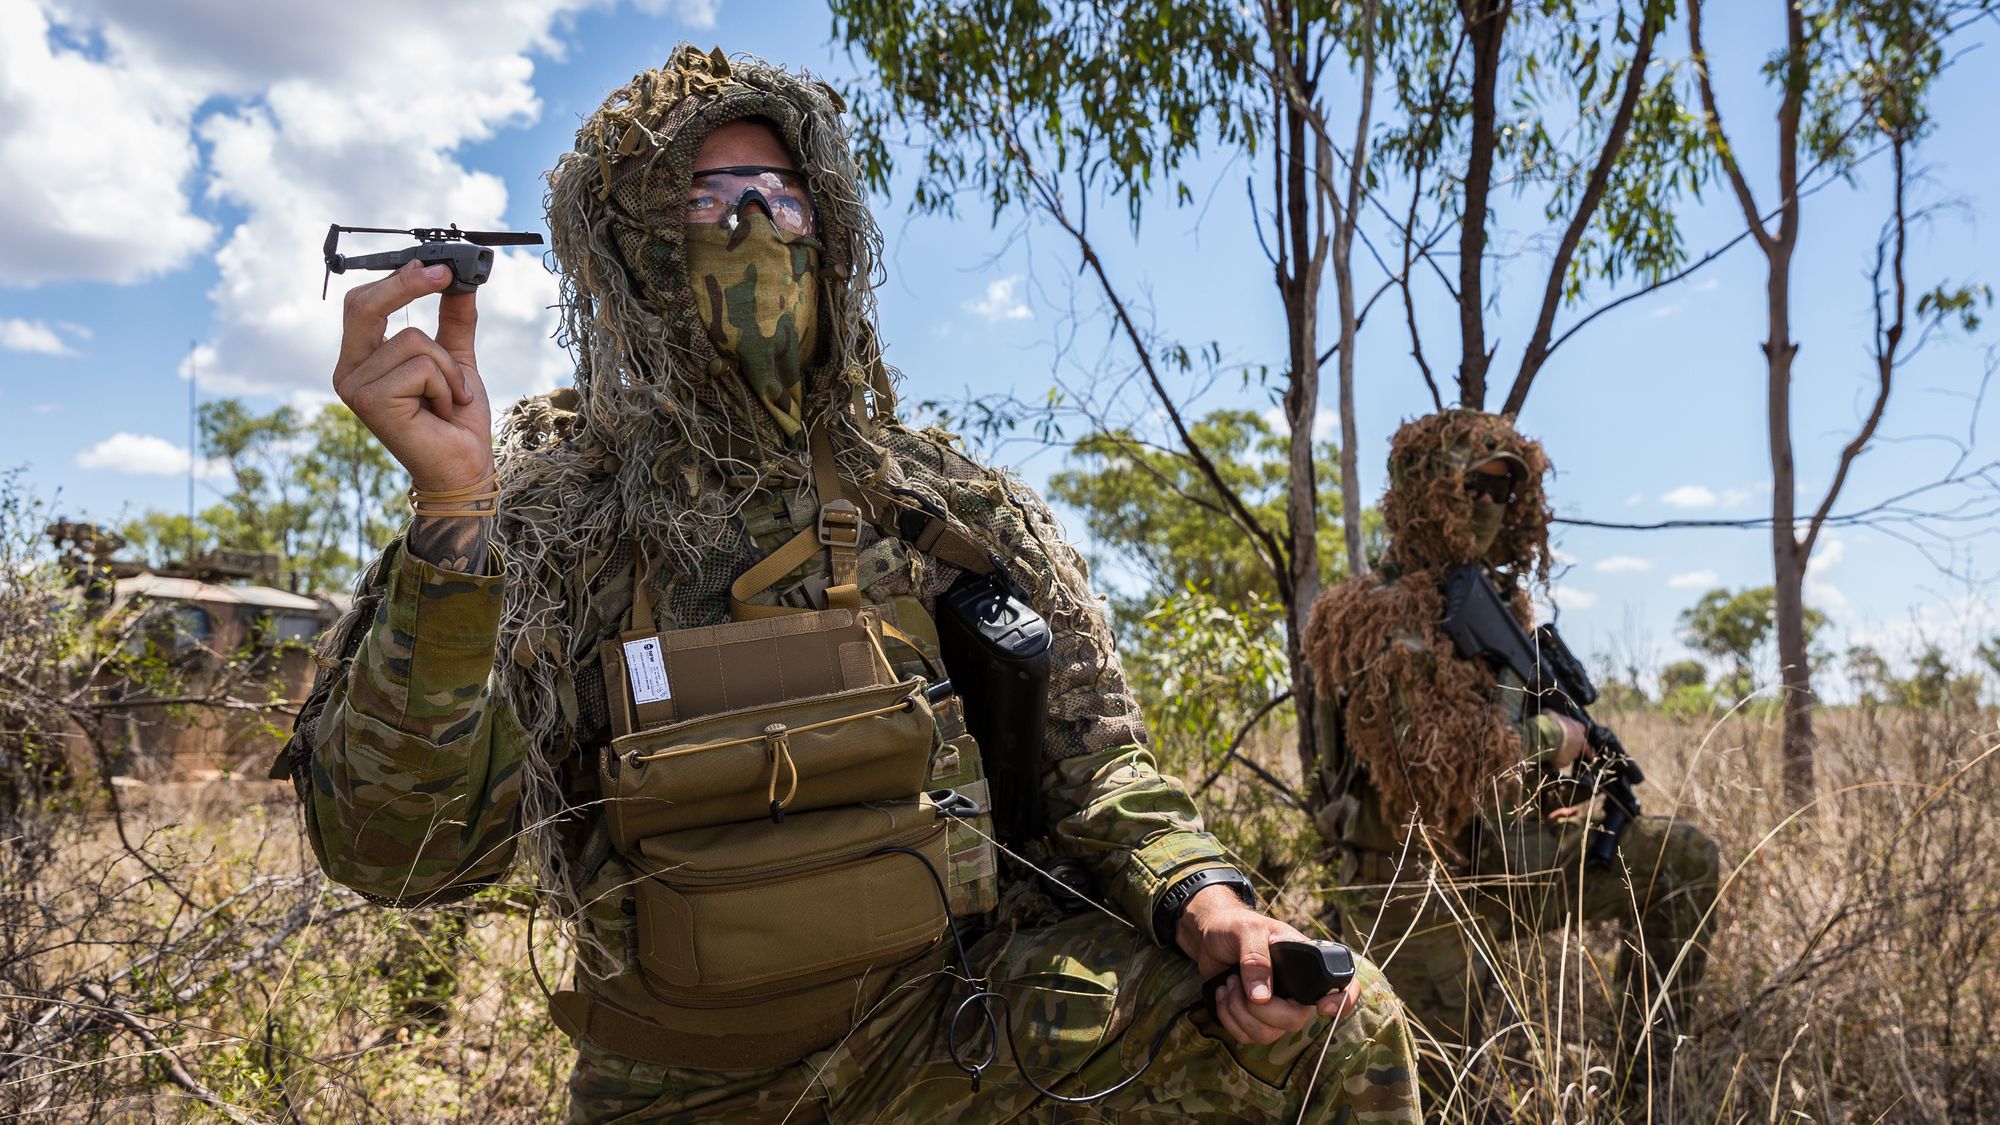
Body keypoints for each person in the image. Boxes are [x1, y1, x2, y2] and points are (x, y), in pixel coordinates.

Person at [277, 45, 1420, 1123]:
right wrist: (452, 522)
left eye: (780, 196)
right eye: (704, 198)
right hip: (687, 1085)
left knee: (1334, 1028)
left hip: (952, 1028)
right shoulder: (544, 521)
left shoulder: (936, 503)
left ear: (830, 224)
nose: (750, 226)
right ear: (629, 251)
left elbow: (1095, 763)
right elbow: (399, 856)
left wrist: (1206, 899)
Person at [1302, 409, 1720, 1090]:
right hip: (1411, 887)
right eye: (1475, 487)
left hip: (1502, 863)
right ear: (1428, 491)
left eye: (1505, 490)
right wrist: (1557, 738)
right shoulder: (1374, 612)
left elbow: (1508, 773)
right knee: (1443, 1094)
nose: (1492, 505)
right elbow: (1432, 768)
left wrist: (1571, 776)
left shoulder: (1498, 611)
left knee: (1685, 858)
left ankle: (1645, 1094)